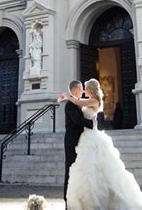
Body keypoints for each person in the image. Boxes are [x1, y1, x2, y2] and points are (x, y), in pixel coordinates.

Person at [58, 78, 142, 210]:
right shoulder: (81, 103)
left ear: (91, 89)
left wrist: (67, 96)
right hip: (83, 138)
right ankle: (82, 199)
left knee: (93, 168)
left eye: (85, 88)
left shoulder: (94, 101)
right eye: (82, 88)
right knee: (86, 169)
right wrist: (69, 97)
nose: (84, 90)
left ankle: (97, 199)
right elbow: (78, 107)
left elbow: (78, 103)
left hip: (91, 137)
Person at [62, 80, 94, 208]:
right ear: (74, 90)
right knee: (69, 170)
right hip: (72, 141)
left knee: (76, 170)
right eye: (80, 89)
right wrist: (92, 124)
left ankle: (76, 198)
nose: (82, 91)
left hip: (79, 141)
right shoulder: (70, 105)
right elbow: (76, 120)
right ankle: (67, 199)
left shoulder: (77, 103)